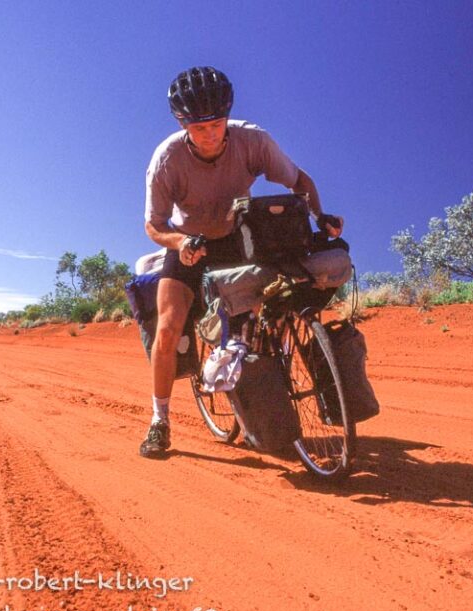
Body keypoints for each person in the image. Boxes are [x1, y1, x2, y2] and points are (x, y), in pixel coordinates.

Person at [139, 66, 343, 457]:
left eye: (216, 123)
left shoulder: (253, 140)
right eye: (199, 128)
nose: (210, 133)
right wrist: (180, 242)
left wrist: (321, 215)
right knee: (167, 329)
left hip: (239, 239)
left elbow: (301, 182)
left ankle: (263, 390)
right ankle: (159, 422)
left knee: (271, 308)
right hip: (189, 245)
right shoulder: (167, 159)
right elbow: (154, 224)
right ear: (183, 124)